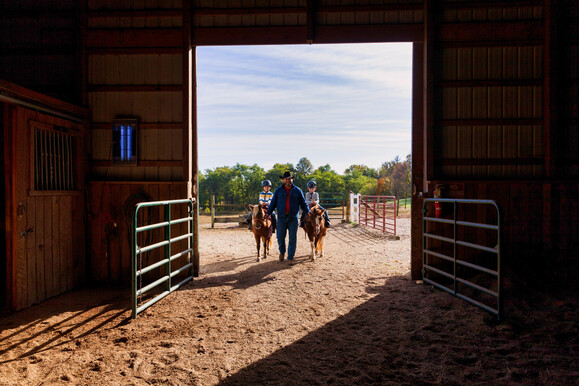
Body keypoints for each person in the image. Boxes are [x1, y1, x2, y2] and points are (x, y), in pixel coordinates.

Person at [267, 171, 309, 263]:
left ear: (292, 179)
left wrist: (308, 212)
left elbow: (303, 203)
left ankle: (290, 257)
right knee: (280, 237)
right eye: (286, 179)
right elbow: (273, 203)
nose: (288, 180)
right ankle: (282, 252)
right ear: (283, 180)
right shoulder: (278, 191)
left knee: (292, 238)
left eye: (290, 178)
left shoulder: (298, 190)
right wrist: (268, 213)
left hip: (293, 218)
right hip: (281, 217)